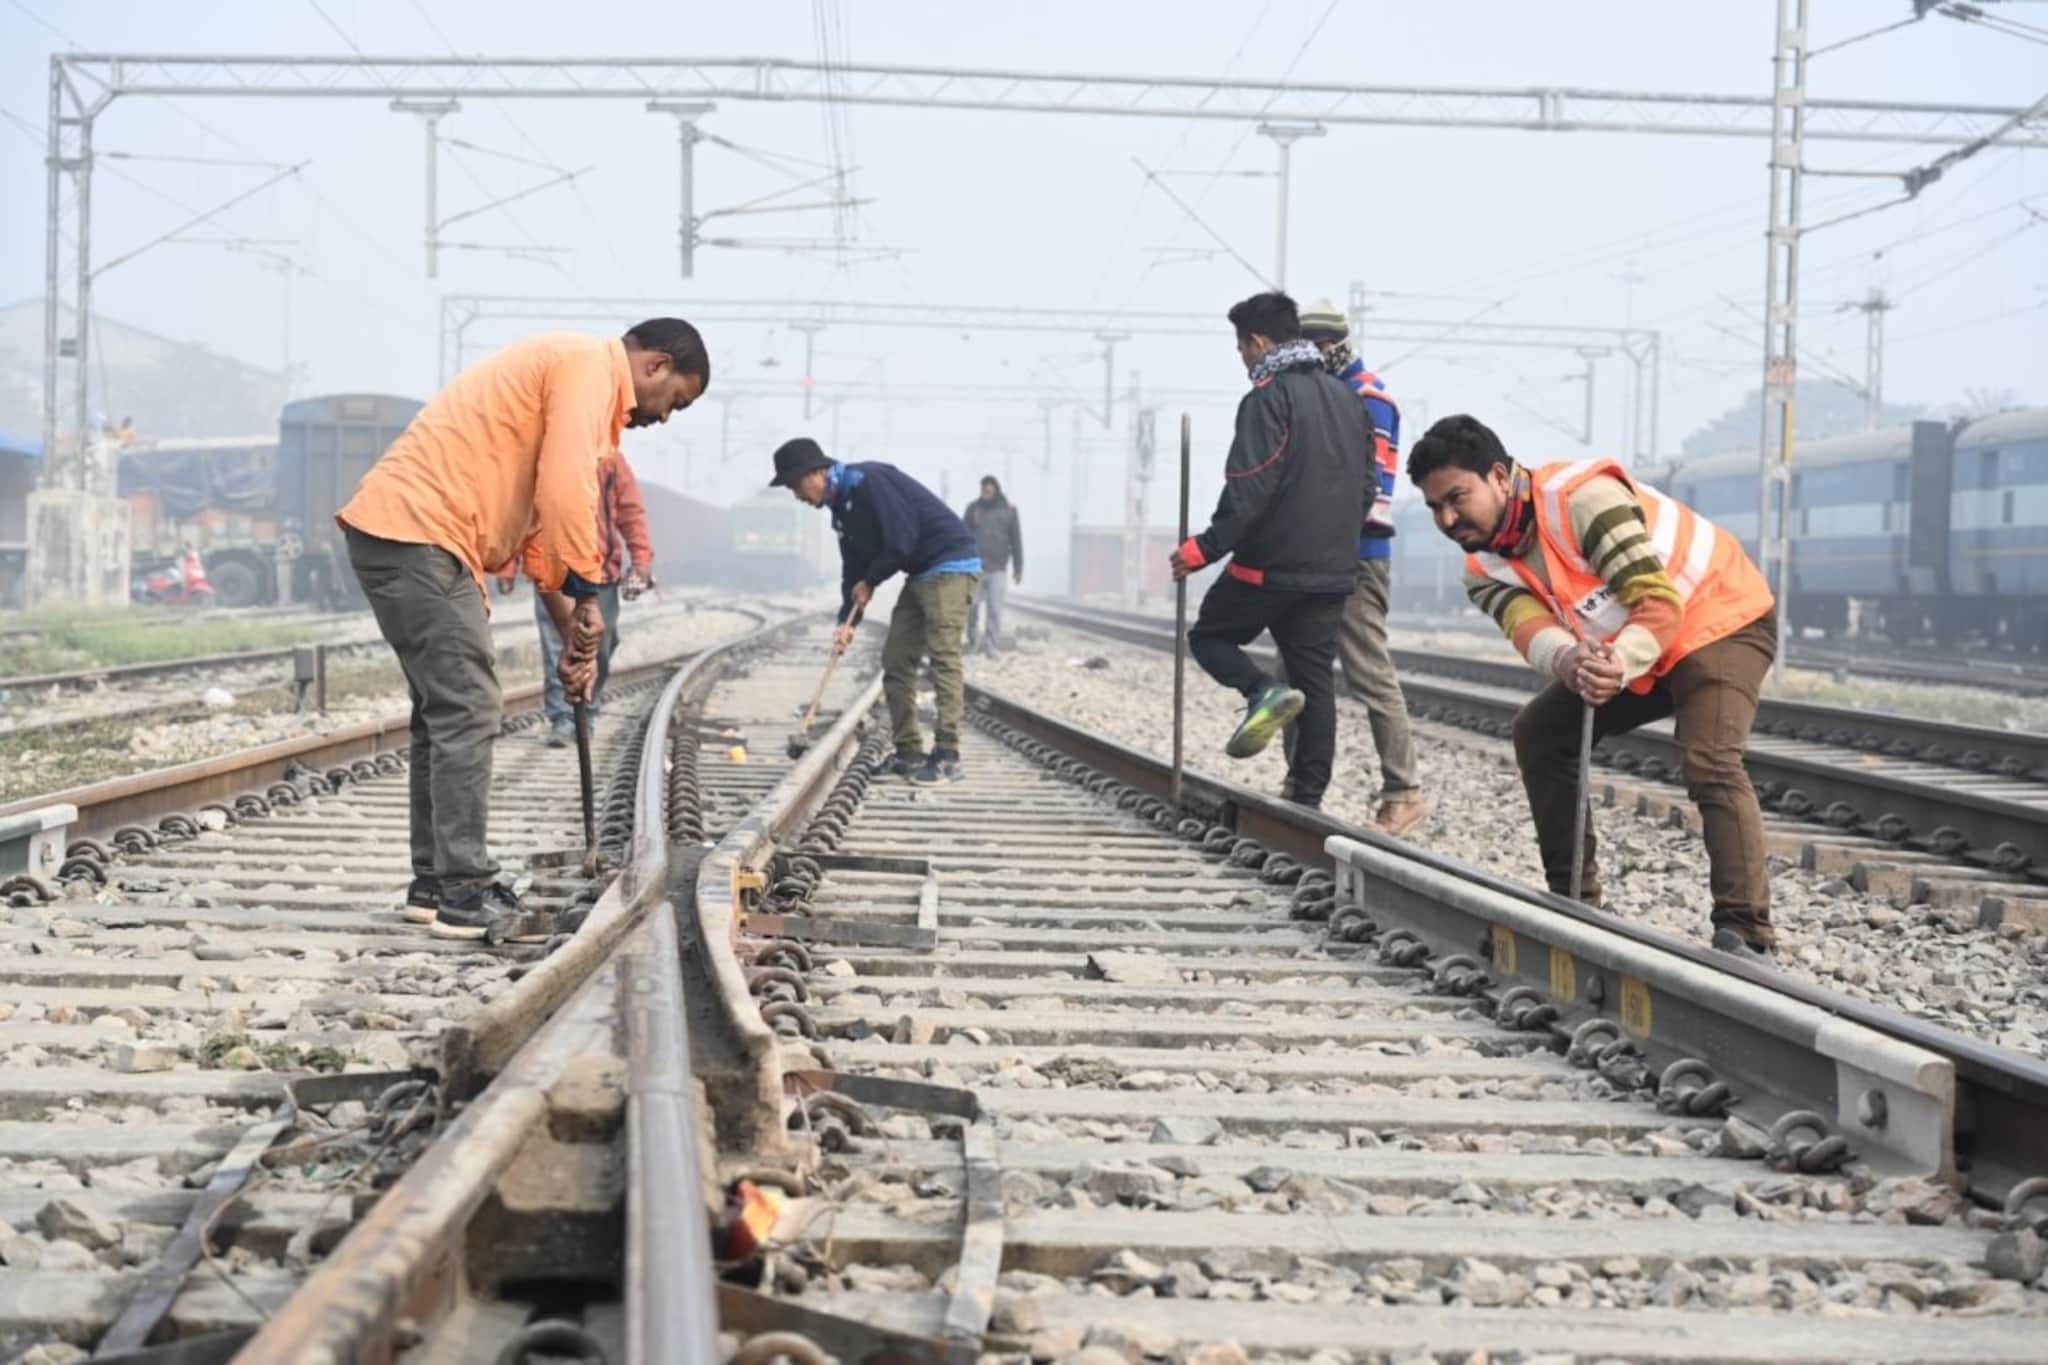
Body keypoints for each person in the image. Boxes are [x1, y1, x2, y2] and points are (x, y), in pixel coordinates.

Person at [339, 321, 708, 941]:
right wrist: (589, 588)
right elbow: (568, 490)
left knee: (443, 711)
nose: (667, 417)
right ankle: (464, 890)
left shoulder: (571, 377)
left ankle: (434, 885)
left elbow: (540, 531)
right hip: (420, 532)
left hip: (406, 532)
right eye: (676, 400)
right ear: (656, 365)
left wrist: (572, 631)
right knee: (469, 704)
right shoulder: (589, 369)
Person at [1407, 414, 1778, 959]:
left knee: (1710, 759)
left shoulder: (1583, 501)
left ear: (1500, 477)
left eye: (1457, 497)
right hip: (1641, 648)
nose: (1447, 517)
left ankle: (1747, 933)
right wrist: (1572, 663)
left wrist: (1615, 665)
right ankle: (1575, 906)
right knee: (1541, 732)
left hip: (1719, 619)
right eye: (1435, 507)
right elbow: (1534, 634)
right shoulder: (1482, 568)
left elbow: (1656, 600)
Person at [1168, 291, 1371, 810]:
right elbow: (1367, 487)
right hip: (1332, 572)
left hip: (1270, 568)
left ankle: (1261, 692)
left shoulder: (1267, 399)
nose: (1243, 360)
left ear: (1257, 343)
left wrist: (1204, 549)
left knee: (1211, 637)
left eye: (1242, 350)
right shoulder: (1348, 399)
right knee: (1315, 681)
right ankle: (1306, 799)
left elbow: (1251, 484)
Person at [771, 437, 980, 784]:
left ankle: (947, 755)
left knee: (943, 657)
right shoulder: (840, 511)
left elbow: (901, 540)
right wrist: (846, 622)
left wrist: (870, 581)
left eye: (796, 485)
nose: (798, 496)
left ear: (817, 472)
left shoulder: (868, 482)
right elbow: (853, 570)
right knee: (896, 660)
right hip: (920, 571)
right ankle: (909, 752)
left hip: (951, 564)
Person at [1297, 298, 1426, 834]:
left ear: (1332, 344)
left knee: (1369, 673)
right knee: (1296, 673)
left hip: (1355, 557)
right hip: (1315, 556)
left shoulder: (1368, 398)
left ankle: (1404, 791)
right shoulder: (1328, 395)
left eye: (1315, 345)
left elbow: (1372, 491)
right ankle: (1299, 788)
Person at [502, 449, 657, 747]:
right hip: (554, 569)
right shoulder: (543, 455)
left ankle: (588, 710)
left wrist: (641, 561)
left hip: (601, 574)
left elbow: (630, 511)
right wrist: (508, 567)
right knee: (555, 644)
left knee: (603, 641)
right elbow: (522, 514)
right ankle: (562, 717)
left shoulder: (611, 459)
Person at [962, 474, 1023, 657]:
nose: (986, 493)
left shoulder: (1009, 511)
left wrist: (1018, 567)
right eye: (983, 490)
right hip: (975, 568)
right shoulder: (973, 509)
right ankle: (973, 641)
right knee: (971, 608)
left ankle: (991, 647)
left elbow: (1016, 540)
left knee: (995, 610)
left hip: (998, 568)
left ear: (996, 490)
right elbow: (962, 536)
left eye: (989, 490)